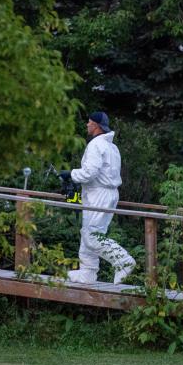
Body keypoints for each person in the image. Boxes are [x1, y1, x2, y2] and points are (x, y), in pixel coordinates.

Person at [59, 112, 136, 284]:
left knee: (92, 236)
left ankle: (123, 261)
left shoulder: (95, 145)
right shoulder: (112, 147)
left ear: (96, 125)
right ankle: (88, 273)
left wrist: (70, 174)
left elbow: (90, 173)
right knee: (89, 233)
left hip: (99, 194)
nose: (87, 125)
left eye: (89, 122)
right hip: (106, 193)